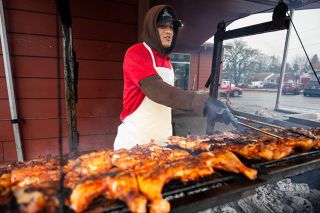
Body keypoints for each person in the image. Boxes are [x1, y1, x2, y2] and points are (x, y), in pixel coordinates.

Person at [114, 4, 237, 150]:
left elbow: (170, 98)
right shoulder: (137, 53)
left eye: (171, 27)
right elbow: (157, 89)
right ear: (151, 29)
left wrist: (205, 104)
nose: (168, 32)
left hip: (162, 139)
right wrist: (199, 102)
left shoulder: (167, 60)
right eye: (162, 26)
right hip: (135, 141)